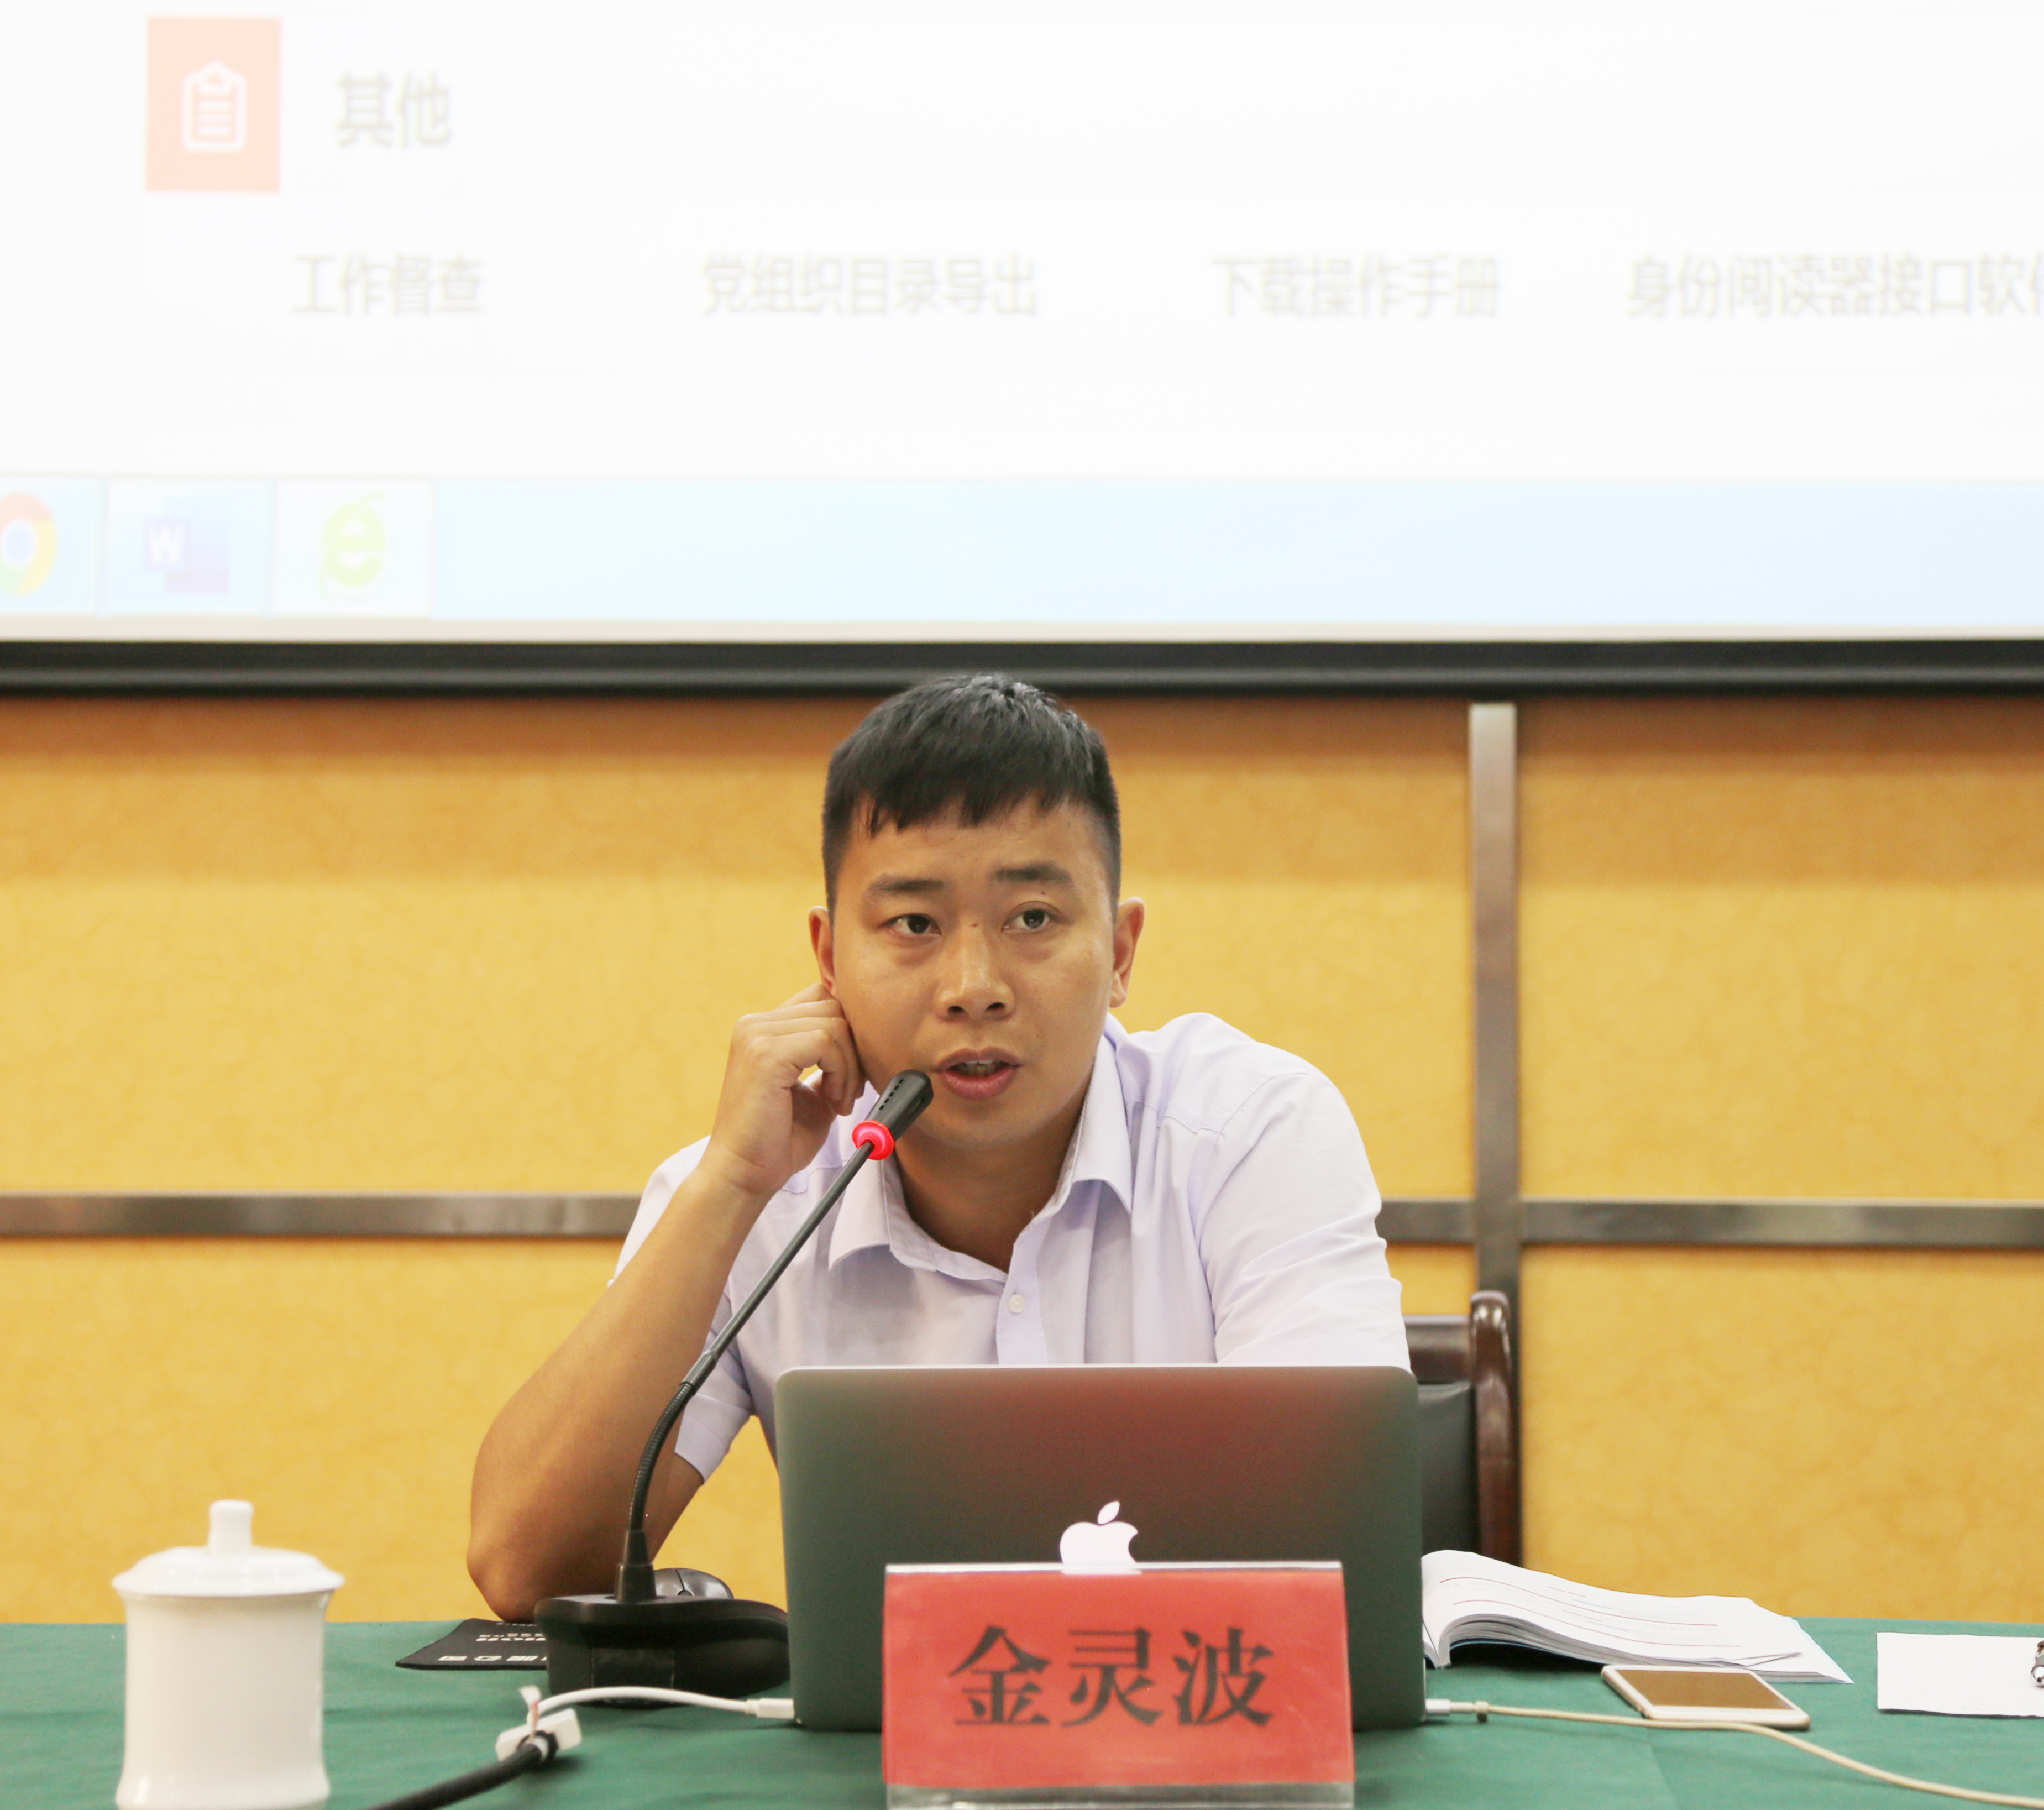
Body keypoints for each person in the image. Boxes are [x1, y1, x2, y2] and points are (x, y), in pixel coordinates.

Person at [468, 674, 1408, 1619]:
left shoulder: (1249, 1133)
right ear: (829, 958)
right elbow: (525, 1566)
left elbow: (1338, 1531)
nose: (972, 986)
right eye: (914, 924)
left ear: (1120, 952)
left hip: (1200, 1702)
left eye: (1032, 918)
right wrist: (729, 1185)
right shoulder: (760, 1190)